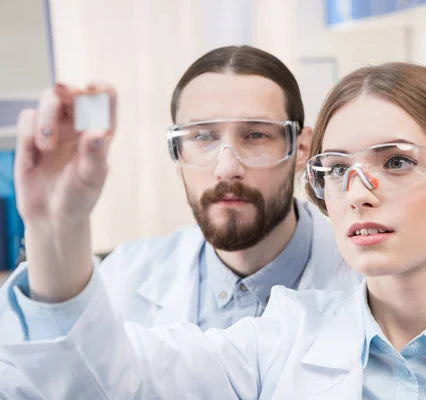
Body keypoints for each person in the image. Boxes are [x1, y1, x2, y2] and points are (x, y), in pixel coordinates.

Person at [2, 62, 426, 399]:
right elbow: (103, 380)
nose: (358, 190)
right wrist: (59, 226)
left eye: (394, 161)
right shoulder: (278, 341)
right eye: (338, 170)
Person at [0, 45, 359, 343]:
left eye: (256, 136)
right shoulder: (127, 279)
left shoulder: (369, 281)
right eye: (202, 137)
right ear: (177, 153)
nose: (226, 168)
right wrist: (56, 226)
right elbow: (52, 377)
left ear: (300, 149)